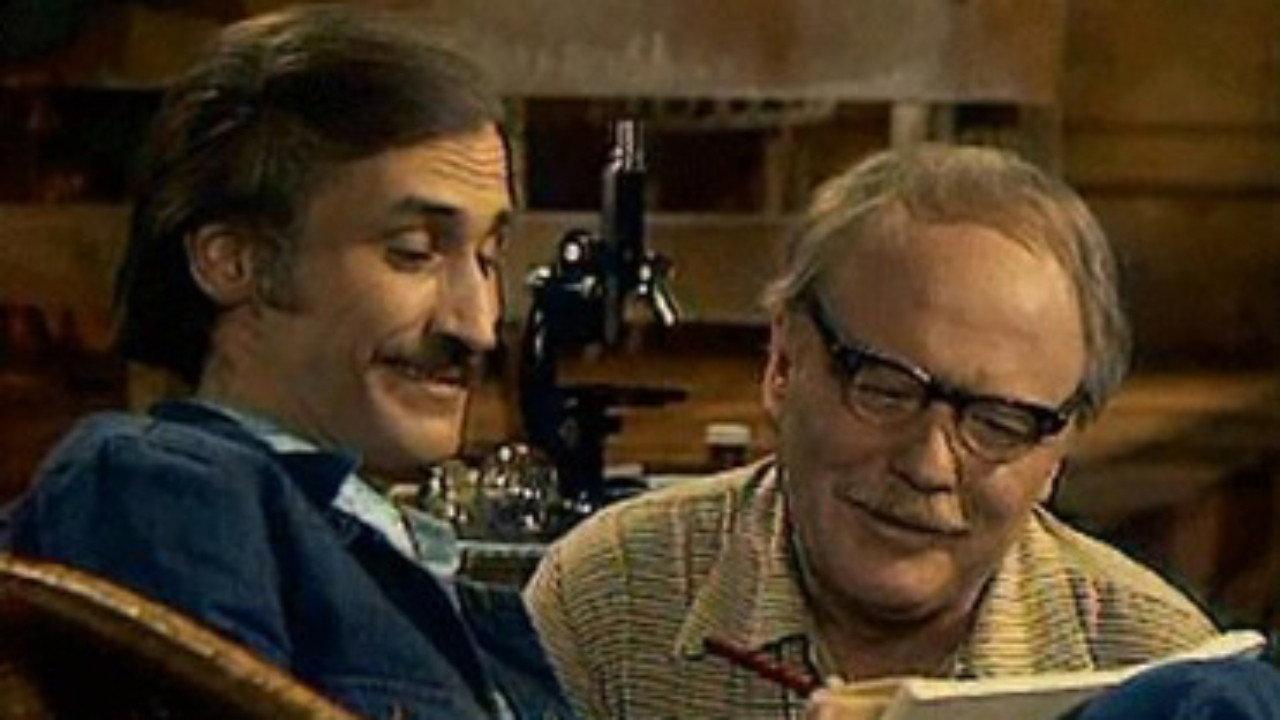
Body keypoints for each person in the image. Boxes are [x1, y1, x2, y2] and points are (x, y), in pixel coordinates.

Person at [2, 6, 574, 719]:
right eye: (414, 253)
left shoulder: (403, 564)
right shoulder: (160, 483)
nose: (479, 324)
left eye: (487, 258)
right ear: (233, 261)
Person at [524, 144, 1224, 719]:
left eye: (999, 423)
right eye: (886, 390)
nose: (928, 466)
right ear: (783, 363)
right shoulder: (611, 598)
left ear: (1057, 454)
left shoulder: (1160, 673)